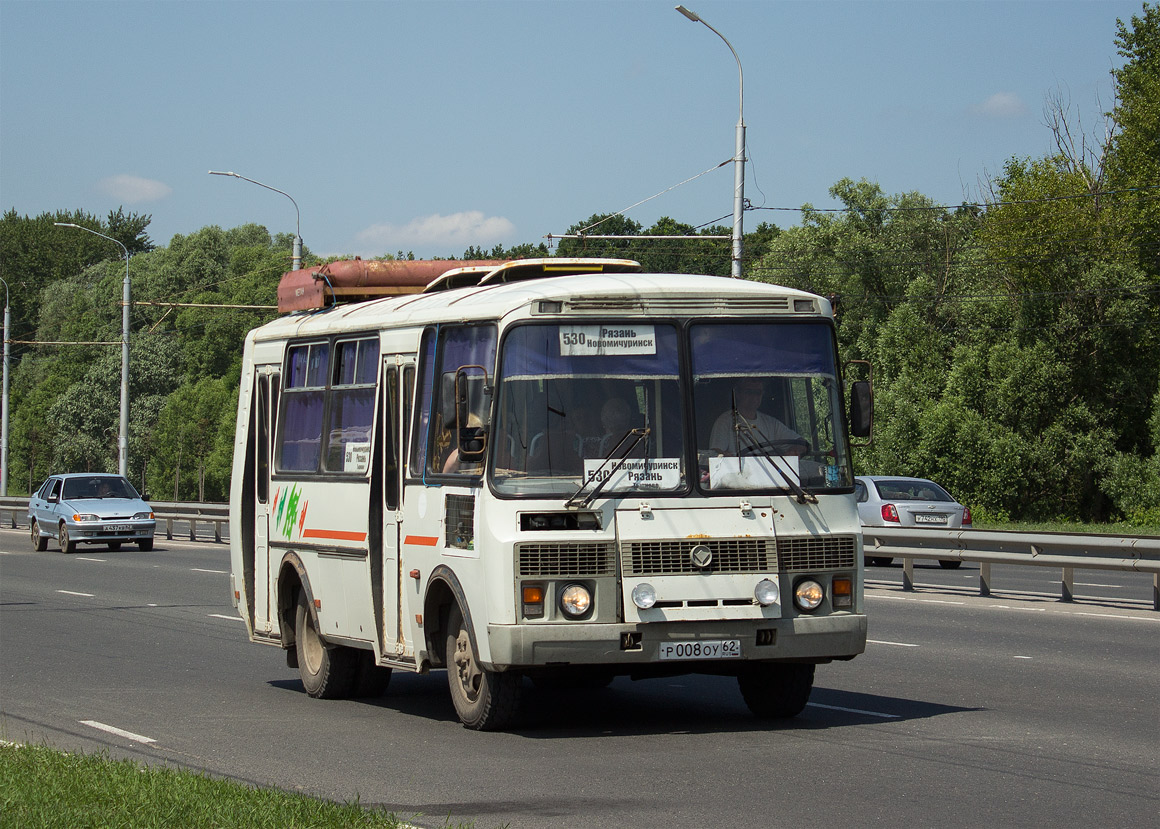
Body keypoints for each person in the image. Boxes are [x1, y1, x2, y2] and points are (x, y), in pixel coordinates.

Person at [709, 378, 806, 456]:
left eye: (757, 393)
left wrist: (795, 450)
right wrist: (725, 456)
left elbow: (801, 443)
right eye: (749, 392)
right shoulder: (725, 422)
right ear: (738, 394)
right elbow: (716, 455)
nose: (754, 397)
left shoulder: (771, 424)